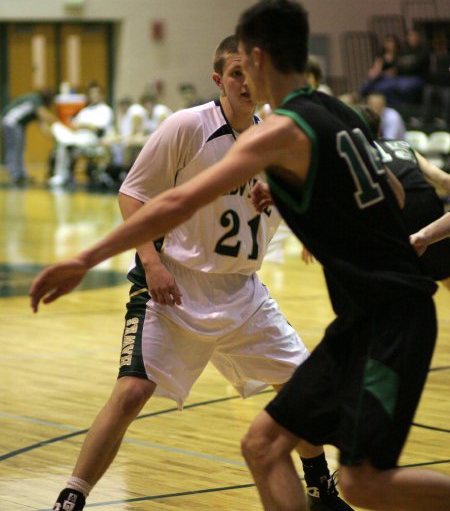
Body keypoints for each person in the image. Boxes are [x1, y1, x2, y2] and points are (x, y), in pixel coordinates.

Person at [29, 0, 450, 511]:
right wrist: (303, 200)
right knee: (261, 445)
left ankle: (329, 489)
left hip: (384, 317)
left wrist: (83, 259)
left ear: (257, 58)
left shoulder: (279, 130)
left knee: (364, 483)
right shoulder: (337, 112)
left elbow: (180, 201)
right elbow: (398, 194)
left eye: (245, 65)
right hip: (347, 312)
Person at [37, 35, 352, 511]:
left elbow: (290, 200)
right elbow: (133, 195)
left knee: (300, 390)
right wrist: (153, 262)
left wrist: (308, 229)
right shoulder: (188, 126)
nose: (246, 83)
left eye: (252, 73)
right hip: (175, 288)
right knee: (131, 392)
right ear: (218, 80)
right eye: (235, 74)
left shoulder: (276, 134)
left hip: (242, 292)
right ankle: (70, 498)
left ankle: (321, 490)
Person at [356, 104, 450, 289]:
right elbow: (442, 178)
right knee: (445, 269)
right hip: (428, 201)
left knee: (392, 275)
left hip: (395, 207)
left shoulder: (356, 152)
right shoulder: (403, 145)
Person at [49, 84, 114, 187]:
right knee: (56, 128)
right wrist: (80, 126)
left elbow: (98, 129)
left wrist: (83, 125)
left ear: (102, 95)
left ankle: (61, 174)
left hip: (92, 140)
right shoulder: (85, 110)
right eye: (91, 93)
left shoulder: (105, 110)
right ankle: (60, 176)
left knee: (64, 144)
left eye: (96, 93)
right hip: (77, 137)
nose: (93, 95)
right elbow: (74, 125)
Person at [1, 88, 56, 185]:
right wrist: (60, 122)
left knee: (20, 148)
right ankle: (15, 175)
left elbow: (43, 126)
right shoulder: (35, 98)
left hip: (18, 125)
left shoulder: (37, 106)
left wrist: (54, 138)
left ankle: (21, 174)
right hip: (11, 122)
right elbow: (44, 115)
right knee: (14, 148)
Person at [360, 32, 428, 108]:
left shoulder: (421, 51)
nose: (411, 38)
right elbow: (373, 73)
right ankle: (398, 106)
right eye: (409, 36)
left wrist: (388, 71)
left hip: (406, 78)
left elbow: (398, 69)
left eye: (391, 42)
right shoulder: (404, 51)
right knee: (378, 86)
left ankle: (359, 94)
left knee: (397, 85)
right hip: (393, 78)